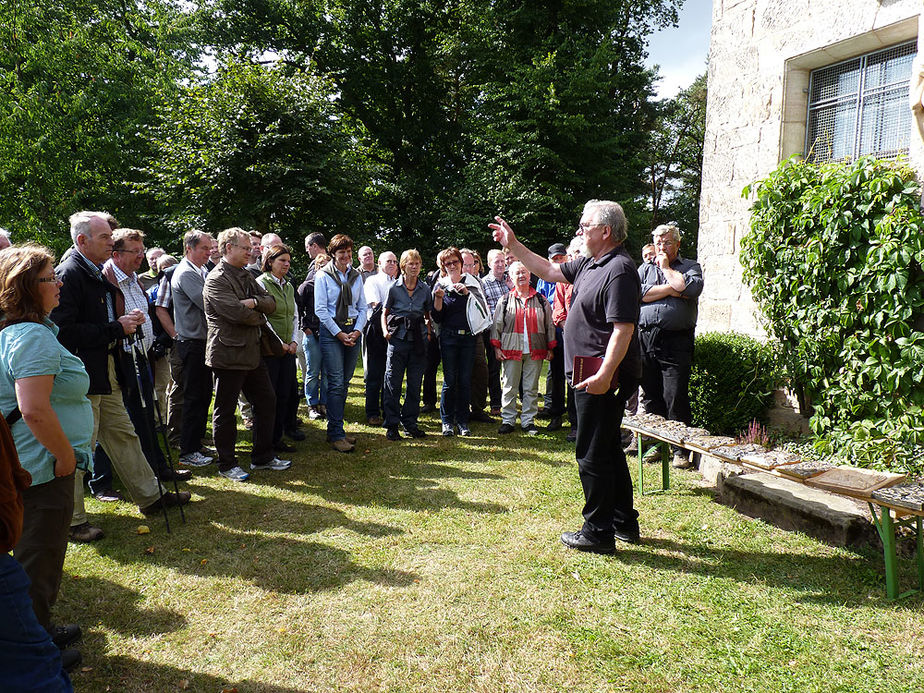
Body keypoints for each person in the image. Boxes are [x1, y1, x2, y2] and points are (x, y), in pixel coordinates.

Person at [490, 199, 642, 554]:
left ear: (606, 231)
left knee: (591, 451)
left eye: (585, 225)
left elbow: (623, 329)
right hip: (591, 370)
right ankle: (623, 522)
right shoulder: (592, 262)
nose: (579, 230)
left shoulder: (619, 269)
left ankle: (597, 531)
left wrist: (605, 374)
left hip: (602, 375)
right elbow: (546, 269)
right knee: (607, 449)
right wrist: (513, 244)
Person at [51, 211, 190, 542]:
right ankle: (72, 521)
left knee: (124, 434)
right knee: (81, 447)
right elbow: (62, 332)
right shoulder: (69, 274)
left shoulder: (92, 271)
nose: (111, 241)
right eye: (104, 237)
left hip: (103, 371)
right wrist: (117, 327)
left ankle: (151, 496)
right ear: (82, 240)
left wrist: (120, 325)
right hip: (79, 376)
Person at [0, 244, 89, 676]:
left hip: (33, 461)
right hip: (42, 465)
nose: (59, 283)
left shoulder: (27, 331)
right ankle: (32, 649)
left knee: (40, 551)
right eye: (51, 277)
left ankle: (39, 629)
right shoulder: (31, 336)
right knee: (40, 553)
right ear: (26, 288)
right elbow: (33, 408)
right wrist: (66, 456)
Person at [101, 228, 191, 484]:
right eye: (135, 251)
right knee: (130, 420)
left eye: (142, 250)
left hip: (142, 354)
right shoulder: (107, 279)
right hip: (122, 358)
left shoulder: (133, 278)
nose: (141, 256)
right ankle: (127, 476)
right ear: (116, 254)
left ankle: (157, 467)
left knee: (147, 416)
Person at [203, 228, 291, 481]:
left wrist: (253, 303)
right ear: (228, 248)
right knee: (225, 410)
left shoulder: (245, 274)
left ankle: (262, 457)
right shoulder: (216, 279)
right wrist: (257, 311)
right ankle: (227, 463)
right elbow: (235, 313)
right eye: (245, 247)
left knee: (266, 401)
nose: (250, 251)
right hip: (228, 355)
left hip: (252, 353)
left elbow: (270, 303)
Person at [638, 224, 704, 469]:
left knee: (675, 395)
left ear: (677, 244)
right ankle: (655, 445)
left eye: (666, 242)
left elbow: (692, 288)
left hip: (676, 340)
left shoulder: (690, 266)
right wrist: (674, 289)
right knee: (651, 395)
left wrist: (666, 269)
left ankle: (680, 450)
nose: (661, 247)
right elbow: (637, 294)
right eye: (657, 242)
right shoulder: (644, 269)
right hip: (646, 338)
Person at [315, 234, 367, 452]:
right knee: (335, 383)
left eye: (348, 252)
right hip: (331, 332)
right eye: (341, 252)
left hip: (352, 331)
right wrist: (339, 334)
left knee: (344, 383)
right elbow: (320, 310)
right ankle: (336, 434)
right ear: (333, 254)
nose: (345, 256)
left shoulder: (356, 276)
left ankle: (336, 429)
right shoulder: (323, 276)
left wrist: (356, 331)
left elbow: (363, 308)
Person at [491, 261, 556, 435]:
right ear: (511, 277)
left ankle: (528, 421)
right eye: (517, 273)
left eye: (524, 272)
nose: (521, 276)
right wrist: (496, 348)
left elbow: (549, 324)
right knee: (510, 386)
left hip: (536, 350)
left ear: (530, 275)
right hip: (511, 350)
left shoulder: (541, 300)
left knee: (530, 387)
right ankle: (508, 420)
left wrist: (551, 346)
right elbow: (496, 325)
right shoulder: (504, 300)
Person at [170, 230, 216, 468]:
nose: (209, 252)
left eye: (209, 248)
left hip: (202, 342)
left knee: (203, 395)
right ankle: (188, 450)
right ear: (189, 248)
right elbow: (208, 302)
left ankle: (196, 442)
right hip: (192, 343)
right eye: (204, 248)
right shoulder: (186, 272)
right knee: (194, 397)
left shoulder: (201, 270)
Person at [431, 247, 487, 437]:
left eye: (455, 262)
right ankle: (447, 421)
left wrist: (467, 294)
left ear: (461, 264)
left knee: (464, 380)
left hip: (469, 338)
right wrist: (438, 299)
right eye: (448, 263)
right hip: (449, 338)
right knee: (449, 380)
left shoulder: (472, 283)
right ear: (443, 267)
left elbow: (482, 308)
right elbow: (437, 317)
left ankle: (462, 421)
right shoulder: (440, 285)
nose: (452, 265)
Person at [381, 249, 433, 440]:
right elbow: (384, 313)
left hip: (418, 341)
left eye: (417, 264)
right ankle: (392, 424)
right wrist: (386, 332)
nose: (414, 267)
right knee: (392, 382)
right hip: (397, 339)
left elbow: (428, 314)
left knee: (414, 383)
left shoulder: (425, 289)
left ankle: (410, 423)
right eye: (411, 263)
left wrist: (428, 333)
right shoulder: (393, 288)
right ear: (403, 265)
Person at [256, 244, 301, 452]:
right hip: (269, 350)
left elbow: (294, 315)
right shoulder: (261, 283)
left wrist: (293, 342)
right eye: (282, 260)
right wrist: (279, 343)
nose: (286, 264)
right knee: (268, 397)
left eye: (288, 261)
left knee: (285, 394)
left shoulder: (289, 286)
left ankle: (277, 438)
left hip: (287, 350)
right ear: (270, 261)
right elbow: (263, 318)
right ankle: (265, 442)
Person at [362, 251, 398, 425]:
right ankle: (372, 412)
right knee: (375, 373)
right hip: (376, 330)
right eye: (388, 261)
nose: (392, 264)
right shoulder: (372, 281)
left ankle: (388, 410)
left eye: (394, 261)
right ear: (380, 263)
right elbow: (376, 305)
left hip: (395, 330)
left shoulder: (398, 282)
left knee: (390, 373)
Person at [537, 243, 569, 431]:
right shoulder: (545, 279)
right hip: (554, 332)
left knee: (573, 375)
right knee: (556, 374)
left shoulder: (571, 275)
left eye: (560, 258)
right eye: (554, 259)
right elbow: (543, 302)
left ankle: (574, 417)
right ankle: (556, 413)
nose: (558, 261)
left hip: (572, 331)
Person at [460, 249, 493, 424]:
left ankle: (478, 408)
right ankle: (461, 409)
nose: (469, 268)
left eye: (472, 264)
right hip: (457, 335)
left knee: (481, 369)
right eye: (465, 264)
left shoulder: (478, 281)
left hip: (477, 333)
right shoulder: (450, 281)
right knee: (460, 371)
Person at [297, 253, 330, 421]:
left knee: (326, 372)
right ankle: (312, 405)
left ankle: (324, 403)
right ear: (316, 266)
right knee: (312, 371)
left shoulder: (334, 286)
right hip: (312, 334)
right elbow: (298, 308)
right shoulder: (307, 286)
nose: (325, 266)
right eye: (322, 263)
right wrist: (305, 327)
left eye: (328, 264)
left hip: (330, 333)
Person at [481, 249, 511, 416]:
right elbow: (484, 310)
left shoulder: (510, 280)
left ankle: (510, 400)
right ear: (489, 264)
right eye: (496, 261)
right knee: (493, 367)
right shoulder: (484, 283)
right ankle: (495, 403)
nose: (500, 264)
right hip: (492, 331)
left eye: (502, 261)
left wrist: (512, 287)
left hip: (512, 330)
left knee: (512, 367)